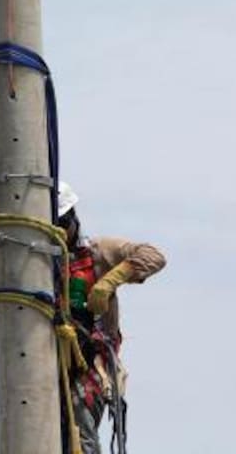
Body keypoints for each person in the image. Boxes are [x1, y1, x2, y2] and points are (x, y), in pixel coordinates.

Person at [55, 181, 165, 454]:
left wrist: (110, 281)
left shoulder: (99, 251)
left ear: (72, 219)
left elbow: (154, 256)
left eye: (62, 223)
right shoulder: (40, 259)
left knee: (80, 433)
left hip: (91, 361)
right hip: (49, 359)